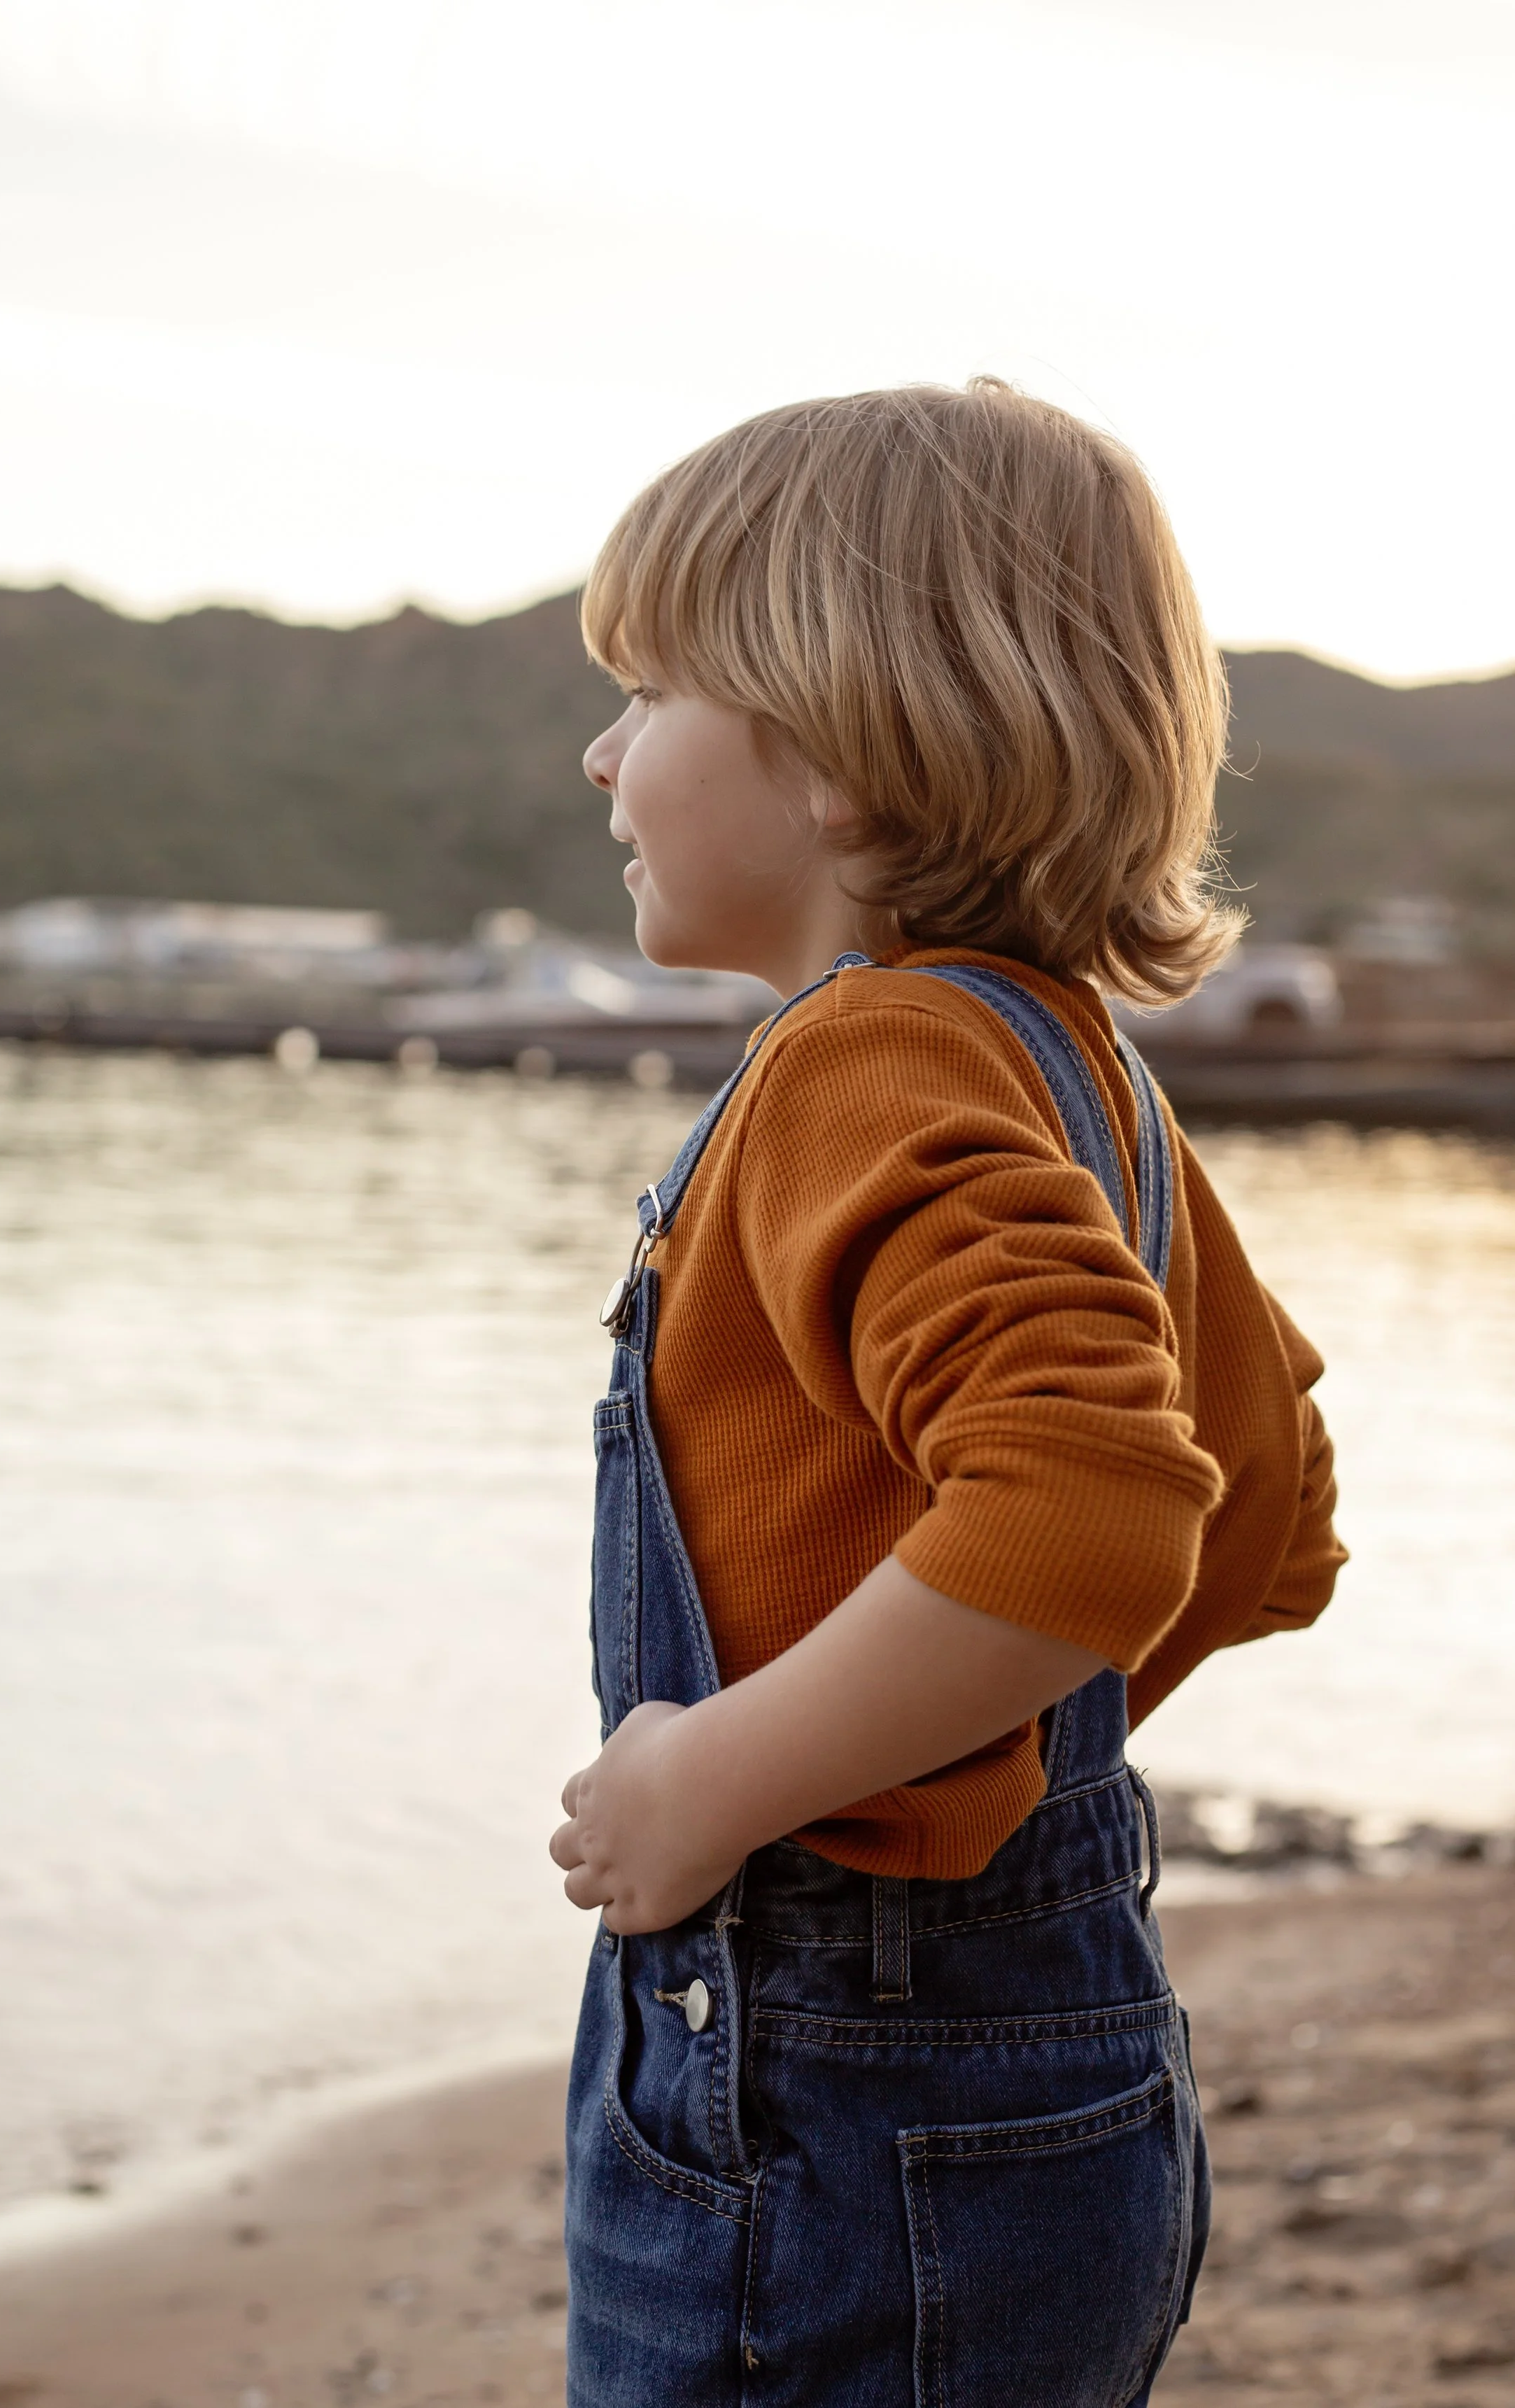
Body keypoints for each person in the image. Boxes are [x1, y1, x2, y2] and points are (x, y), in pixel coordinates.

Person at [548, 381, 1344, 2406]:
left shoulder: (867, 1060)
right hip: (1054, 2057)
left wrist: (723, 1782)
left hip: (828, 2082)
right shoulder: (1076, 1072)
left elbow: (1093, 1516)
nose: (600, 752)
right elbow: (1264, 1517)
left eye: (647, 693)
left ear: (830, 753)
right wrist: (991, 1757)